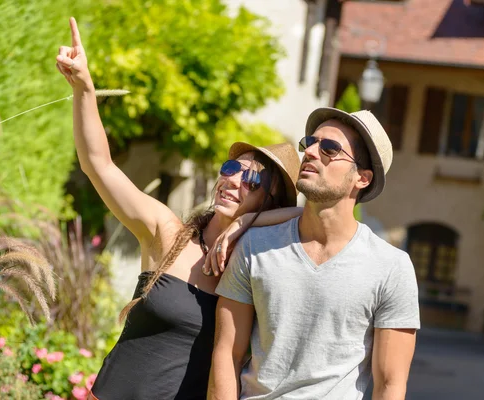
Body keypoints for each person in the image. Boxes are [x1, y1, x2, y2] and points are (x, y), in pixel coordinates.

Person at [55, 17, 302, 400]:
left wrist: (245, 227)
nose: (233, 180)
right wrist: (85, 89)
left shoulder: (260, 269)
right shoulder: (167, 233)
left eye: (253, 181)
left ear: (270, 201)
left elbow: (312, 215)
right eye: (232, 168)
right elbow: (98, 164)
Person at [209, 108, 421, 400]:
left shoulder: (391, 267)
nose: (309, 151)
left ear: (362, 178)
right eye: (309, 142)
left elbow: (390, 385)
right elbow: (226, 355)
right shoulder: (254, 246)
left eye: (330, 148)